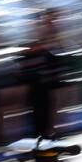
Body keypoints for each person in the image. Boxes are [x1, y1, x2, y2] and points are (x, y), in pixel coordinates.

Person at [23, 9, 68, 140]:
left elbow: (59, 62)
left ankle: (47, 138)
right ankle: (43, 139)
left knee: (47, 117)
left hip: (48, 87)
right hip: (39, 88)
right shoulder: (36, 49)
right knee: (40, 118)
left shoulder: (52, 47)